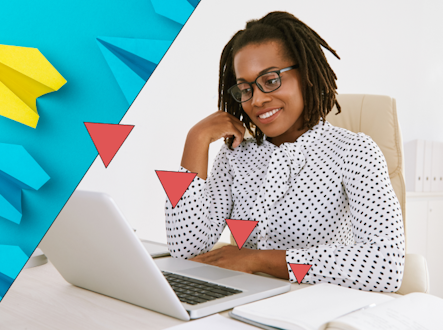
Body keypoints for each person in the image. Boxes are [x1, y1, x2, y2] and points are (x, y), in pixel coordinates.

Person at [165, 11, 404, 292]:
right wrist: (196, 139)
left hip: (319, 307)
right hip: (245, 303)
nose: (258, 99)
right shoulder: (235, 154)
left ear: (306, 74)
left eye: (271, 80)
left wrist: (257, 260)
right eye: (245, 89)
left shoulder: (355, 151)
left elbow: (386, 266)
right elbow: (184, 249)